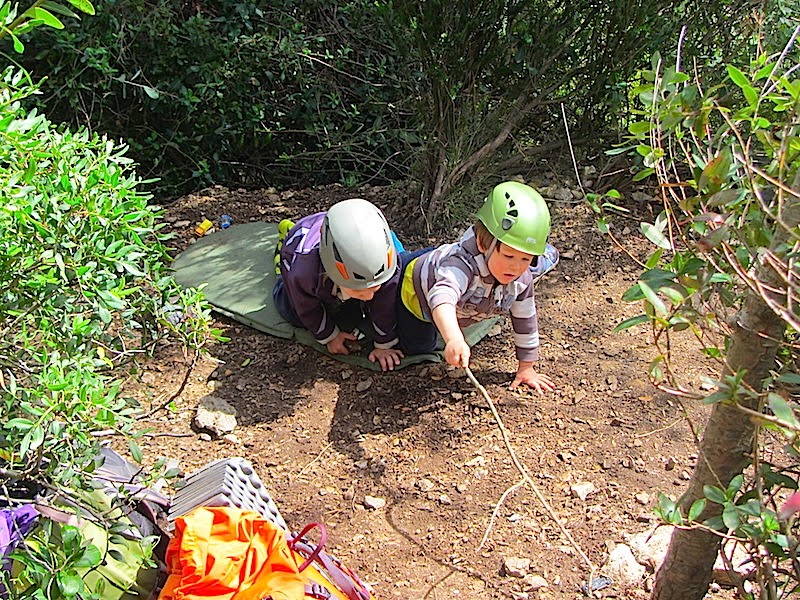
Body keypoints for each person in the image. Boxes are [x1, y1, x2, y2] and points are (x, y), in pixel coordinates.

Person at [397, 181, 558, 392]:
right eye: (508, 255)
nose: (516, 266)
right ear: (483, 245)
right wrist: (454, 339)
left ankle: (546, 257)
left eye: (526, 259)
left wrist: (526, 367)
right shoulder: (461, 266)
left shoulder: (521, 278)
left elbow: (526, 320)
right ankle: (396, 250)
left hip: (465, 294)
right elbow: (442, 296)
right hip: (415, 291)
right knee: (418, 347)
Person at [273, 198, 405, 371]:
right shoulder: (304, 272)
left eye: (374, 288)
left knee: (363, 307)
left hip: (342, 237)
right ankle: (282, 244)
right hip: (298, 245)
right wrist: (329, 336)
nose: (370, 296)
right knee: (292, 311)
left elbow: (384, 303)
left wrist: (384, 344)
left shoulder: (389, 264)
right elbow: (306, 307)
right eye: (359, 291)